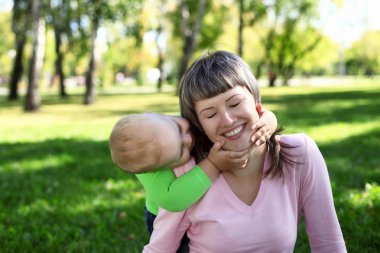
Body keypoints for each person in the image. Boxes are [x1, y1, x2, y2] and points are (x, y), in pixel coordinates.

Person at [143, 50, 347, 253]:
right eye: (210, 114)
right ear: (199, 124)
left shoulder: (299, 153)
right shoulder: (189, 175)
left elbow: (329, 244)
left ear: (257, 104)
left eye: (234, 103)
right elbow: (159, 249)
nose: (227, 120)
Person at [109, 111, 277, 235]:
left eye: (178, 129)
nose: (188, 139)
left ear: (162, 116)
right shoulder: (151, 171)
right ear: (159, 168)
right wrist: (213, 164)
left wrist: (268, 120)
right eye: (181, 150)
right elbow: (173, 199)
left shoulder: (166, 125)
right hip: (168, 221)